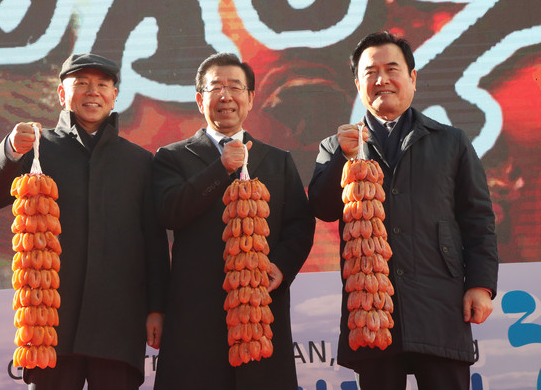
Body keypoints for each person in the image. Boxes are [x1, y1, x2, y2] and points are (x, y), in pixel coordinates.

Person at [308, 32, 498, 390]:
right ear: (357, 83)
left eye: (392, 69)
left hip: (440, 302)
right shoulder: (336, 145)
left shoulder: (450, 141)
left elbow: (478, 219)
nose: (381, 80)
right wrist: (342, 159)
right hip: (372, 308)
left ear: (412, 77)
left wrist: (481, 285)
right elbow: (322, 208)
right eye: (370, 72)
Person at [0, 53, 170, 390]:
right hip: (49, 324)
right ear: (63, 95)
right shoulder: (36, 147)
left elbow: (153, 242)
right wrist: (9, 149)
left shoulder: (138, 161)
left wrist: (156, 308)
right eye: (81, 84)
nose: (92, 92)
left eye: (102, 85)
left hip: (118, 323)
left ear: (114, 95)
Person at [151, 52, 315, 389]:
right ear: (200, 100)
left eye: (235, 87)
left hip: (258, 314)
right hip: (195, 317)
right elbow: (170, 212)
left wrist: (281, 266)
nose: (226, 96)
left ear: (251, 98)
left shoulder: (278, 160)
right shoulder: (173, 157)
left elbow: (300, 225)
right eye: (216, 88)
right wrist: (220, 168)